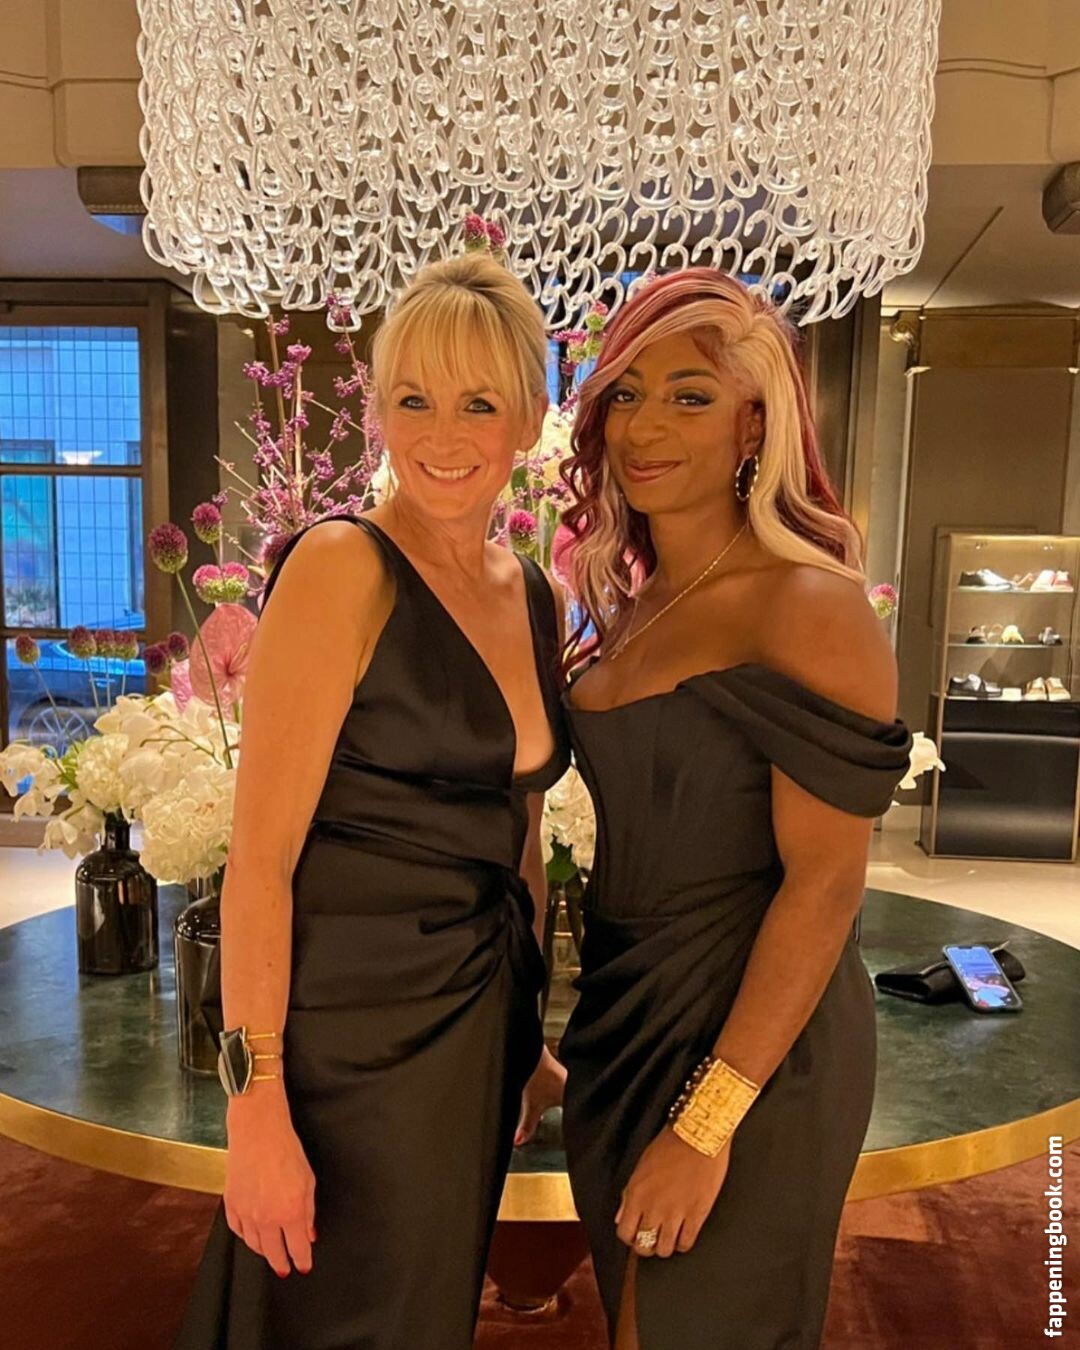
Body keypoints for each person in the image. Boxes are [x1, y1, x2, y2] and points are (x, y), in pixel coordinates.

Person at [174, 251, 570, 1350]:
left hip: (474, 1030)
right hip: (344, 1049)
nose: (442, 435)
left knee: (423, 1315)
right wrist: (255, 1109)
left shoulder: (533, 593)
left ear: (528, 417)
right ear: (379, 411)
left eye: (478, 403)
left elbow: (522, 836)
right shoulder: (341, 567)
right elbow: (259, 863)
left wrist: (525, 1040)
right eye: (413, 400)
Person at [556, 269, 914, 1350]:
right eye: (628, 393)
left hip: (759, 1045)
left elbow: (826, 886)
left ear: (755, 424)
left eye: (691, 396)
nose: (646, 426)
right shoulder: (627, 608)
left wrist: (707, 1126)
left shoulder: (808, 604)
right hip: (624, 1022)